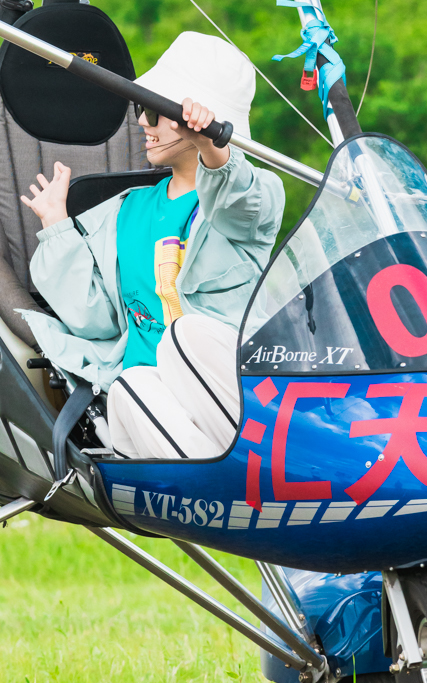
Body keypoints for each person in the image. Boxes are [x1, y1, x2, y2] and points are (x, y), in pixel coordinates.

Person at [19, 32, 284, 460]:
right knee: (129, 386)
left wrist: (212, 147)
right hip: (158, 404)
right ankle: (218, 491)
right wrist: (56, 225)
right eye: (140, 108)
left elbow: (241, 202)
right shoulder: (127, 211)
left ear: (194, 119)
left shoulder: (252, 198)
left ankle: (262, 459)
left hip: (233, 395)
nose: (141, 122)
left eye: (153, 112)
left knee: (186, 335)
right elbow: (97, 321)